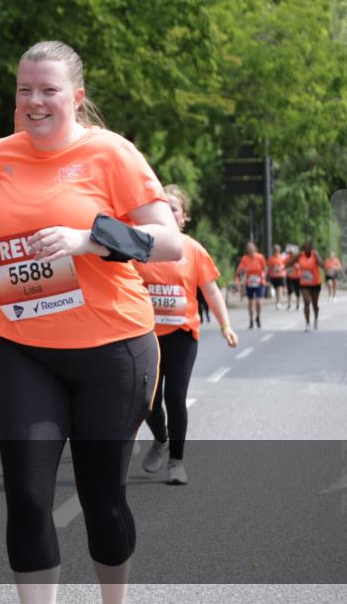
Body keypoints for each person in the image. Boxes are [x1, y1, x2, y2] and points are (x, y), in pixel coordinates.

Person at [0, 40, 182, 604]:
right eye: (24, 90)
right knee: (29, 498)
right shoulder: (5, 152)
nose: (34, 101)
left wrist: (88, 238)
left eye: (48, 90)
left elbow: (168, 243)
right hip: (23, 345)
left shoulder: (112, 153)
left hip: (112, 350)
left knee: (101, 499)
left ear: (76, 97)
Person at [134, 185, 238, 485]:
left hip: (181, 335)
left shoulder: (193, 250)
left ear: (184, 218)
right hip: (146, 335)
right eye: (161, 207)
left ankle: (176, 461)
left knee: (174, 396)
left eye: (174, 208)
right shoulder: (141, 246)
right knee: (147, 401)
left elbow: (211, 291)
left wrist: (225, 325)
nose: (167, 212)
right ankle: (161, 439)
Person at [283, 240, 324, 331]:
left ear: (312, 248)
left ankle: (316, 318)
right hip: (304, 283)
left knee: (314, 304)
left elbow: (322, 265)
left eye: (309, 247)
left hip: (315, 283)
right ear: (303, 248)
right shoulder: (300, 255)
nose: (307, 249)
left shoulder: (315, 255)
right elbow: (288, 264)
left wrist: (317, 257)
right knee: (306, 302)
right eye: (306, 247)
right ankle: (307, 324)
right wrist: (288, 266)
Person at [236, 241, 267, 328]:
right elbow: (240, 269)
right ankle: (251, 320)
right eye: (248, 248)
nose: (250, 249)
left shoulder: (260, 257)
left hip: (259, 282)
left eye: (251, 247)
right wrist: (242, 271)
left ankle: (258, 317)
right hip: (249, 283)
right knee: (250, 303)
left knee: (258, 302)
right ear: (247, 250)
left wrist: (264, 277)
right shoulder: (245, 258)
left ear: (255, 248)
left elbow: (265, 268)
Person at [268, 244, 287, 309]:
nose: (276, 250)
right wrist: (272, 269)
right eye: (275, 249)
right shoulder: (271, 258)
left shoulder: (282, 257)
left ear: (279, 250)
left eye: (277, 249)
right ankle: (277, 300)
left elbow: (286, 265)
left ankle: (278, 302)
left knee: (279, 288)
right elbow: (269, 267)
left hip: (281, 275)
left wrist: (281, 268)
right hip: (273, 276)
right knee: (276, 289)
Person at [285, 244, 302, 311]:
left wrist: (297, 266)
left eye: (292, 252)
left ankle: (298, 303)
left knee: (297, 291)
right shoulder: (287, 258)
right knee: (289, 290)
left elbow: (302, 266)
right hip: (289, 276)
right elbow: (284, 265)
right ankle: (289, 304)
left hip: (297, 276)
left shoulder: (298, 258)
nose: (291, 253)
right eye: (290, 252)